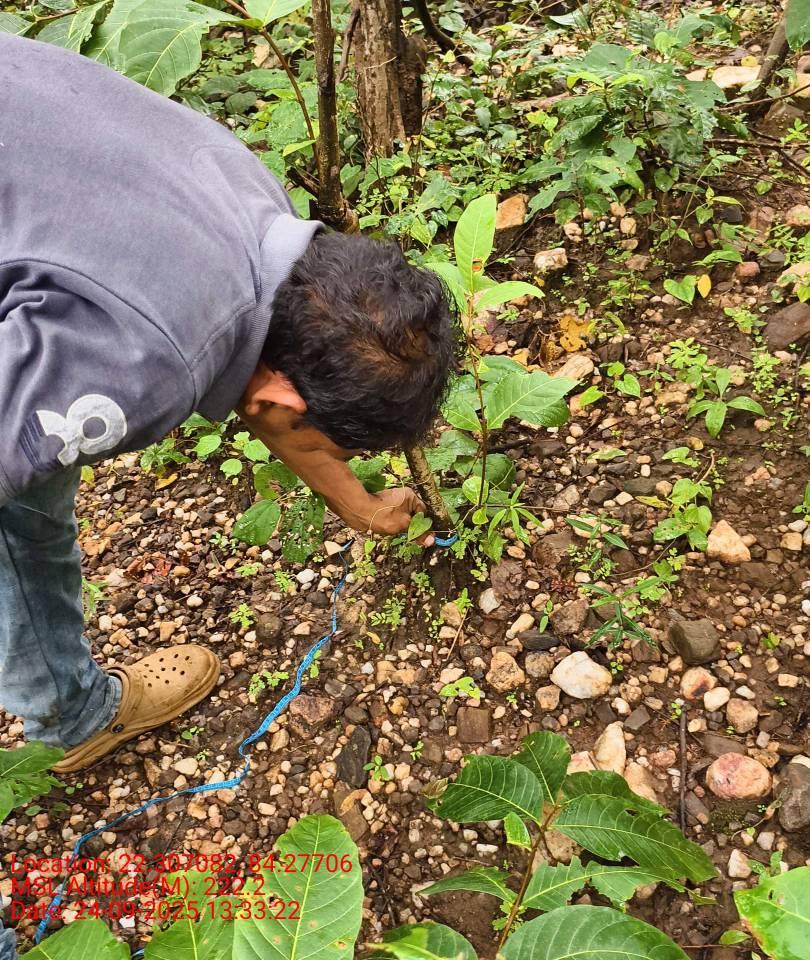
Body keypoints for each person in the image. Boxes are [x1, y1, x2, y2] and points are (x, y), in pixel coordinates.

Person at [0, 33, 454, 782]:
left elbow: (269, 383)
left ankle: (58, 700)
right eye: (334, 445)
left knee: (28, 476)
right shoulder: (149, 360)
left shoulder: (262, 212)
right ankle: (69, 718)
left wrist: (359, 504)